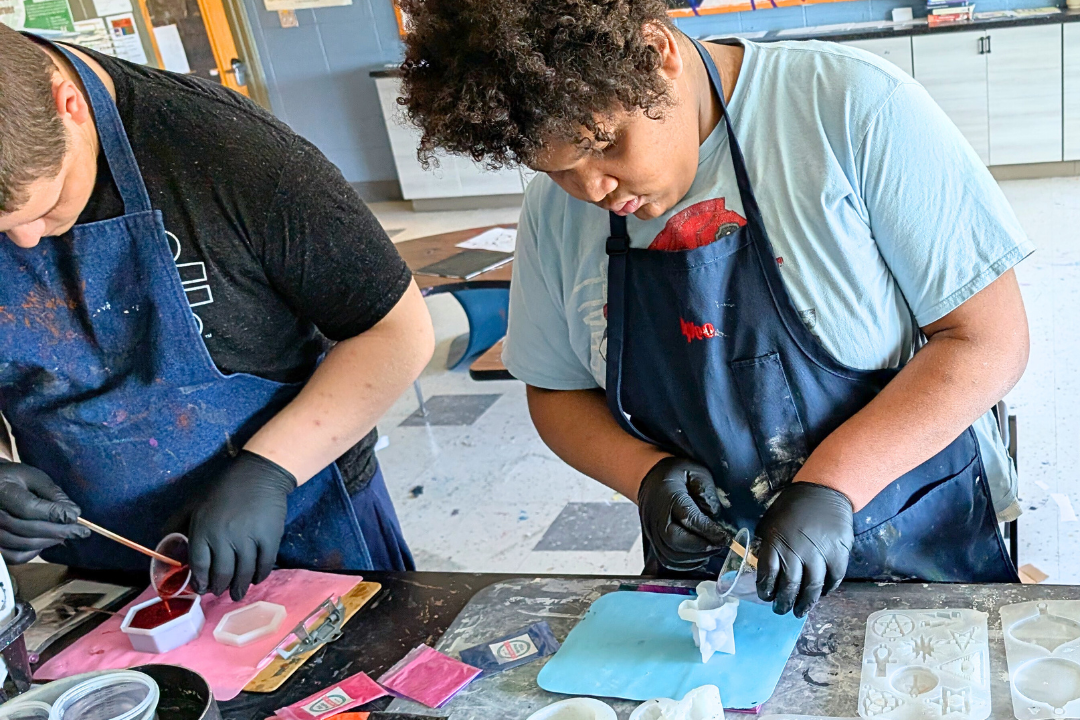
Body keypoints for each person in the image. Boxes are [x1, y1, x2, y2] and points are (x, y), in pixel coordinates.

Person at [398, 0, 1032, 616]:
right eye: (557, 169)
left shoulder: (848, 108)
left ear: (657, 52)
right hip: (716, 581)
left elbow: (986, 341)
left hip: (908, 537)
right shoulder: (556, 211)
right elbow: (556, 392)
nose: (591, 190)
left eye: (603, 144)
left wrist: (832, 484)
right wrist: (645, 476)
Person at [0, 24, 434, 600]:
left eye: (46, 203)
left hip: (294, 522)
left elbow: (396, 332)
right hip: (98, 558)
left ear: (70, 106)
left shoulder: (229, 151)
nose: (26, 241)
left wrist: (270, 470)